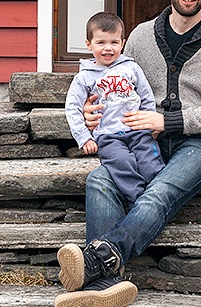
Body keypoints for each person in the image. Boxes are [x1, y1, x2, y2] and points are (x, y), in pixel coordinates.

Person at [54, 0, 201, 307]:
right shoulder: (143, 36)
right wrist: (90, 111)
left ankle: (98, 265)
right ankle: (103, 287)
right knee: (99, 180)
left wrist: (171, 122)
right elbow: (114, 84)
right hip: (144, 138)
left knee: (158, 192)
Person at [64, 11, 165, 205]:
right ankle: (139, 200)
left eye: (114, 43)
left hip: (137, 130)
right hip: (108, 136)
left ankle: (158, 196)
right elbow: (72, 108)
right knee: (121, 163)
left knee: (150, 161)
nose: (108, 48)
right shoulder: (84, 77)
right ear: (88, 44)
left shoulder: (131, 68)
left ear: (123, 43)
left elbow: (146, 96)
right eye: (101, 43)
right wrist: (84, 137)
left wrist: (150, 122)